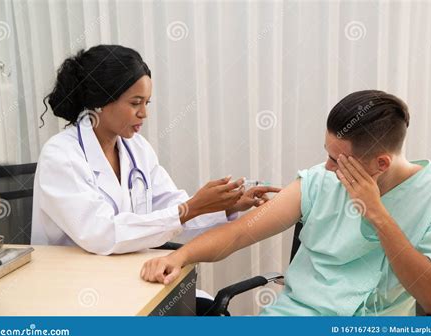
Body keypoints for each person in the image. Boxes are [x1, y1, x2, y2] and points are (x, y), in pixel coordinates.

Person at [141, 90, 431, 316]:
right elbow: (239, 234)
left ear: (382, 164)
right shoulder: (320, 180)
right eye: (327, 153)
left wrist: (377, 213)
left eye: (338, 160)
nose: (328, 167)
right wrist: (181, 256)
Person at [32, 45, 279, 255]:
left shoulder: (135, 147)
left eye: (146, 103)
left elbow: (168, 206)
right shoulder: (61, 155)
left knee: (199, 304)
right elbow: (101, 234)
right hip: (73, 283)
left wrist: (225, 206)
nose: (144, 113)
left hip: (126, 270)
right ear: (100, 101)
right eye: (135, 103)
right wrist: (192, 208)